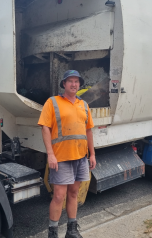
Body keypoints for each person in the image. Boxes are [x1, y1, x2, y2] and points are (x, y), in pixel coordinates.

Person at [38, 70, 96, 238]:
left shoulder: (84, 105)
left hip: (80, 157)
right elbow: (45, 128)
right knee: (58, 195)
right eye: (70, 81)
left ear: (79, 84)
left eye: (76, 81)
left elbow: (89, 131)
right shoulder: (53, 102)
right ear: (63, 84)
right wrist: (50, 154)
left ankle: (72, 230)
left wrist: (92, 155)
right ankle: (53, 233)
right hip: (61, 158)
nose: (73, 84)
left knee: (73, 193)